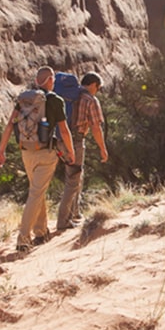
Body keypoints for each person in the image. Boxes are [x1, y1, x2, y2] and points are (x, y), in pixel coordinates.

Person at [0, 66, 74, 252]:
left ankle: (41, 232)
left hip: (26, 152)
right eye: (52, 79)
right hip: (45, 153)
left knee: (38, 191)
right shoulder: (55, 100)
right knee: (36, 193)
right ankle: (23, 239)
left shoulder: (24, 99)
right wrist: (71, 151)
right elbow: (63, 130)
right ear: (49, 80)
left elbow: (9, 125)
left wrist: (1, 151)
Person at [56, 71, 108, 230]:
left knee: (76, 175)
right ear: (92, 85)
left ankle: (75, 213)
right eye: (98, 87)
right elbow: (96, 127)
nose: (97, 90)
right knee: (73, 180)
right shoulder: (90, 100)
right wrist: (102, 148)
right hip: (75, 141)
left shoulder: (68, 96)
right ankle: (63, 222)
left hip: (57, 139)